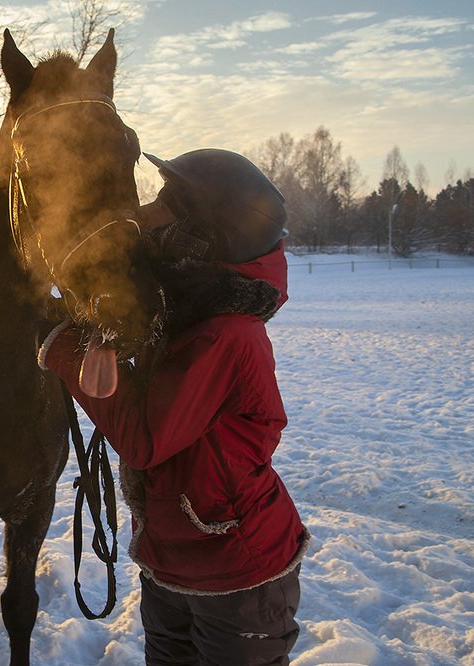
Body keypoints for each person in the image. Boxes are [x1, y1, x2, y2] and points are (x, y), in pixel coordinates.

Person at [38, 148, 309, 665]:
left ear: (201, 235)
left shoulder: (226, 333)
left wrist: (59, 344)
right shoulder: (185, 314)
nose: (146, 214)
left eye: (165, 203)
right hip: (174, 559)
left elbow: (144, 438)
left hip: (238, 573)